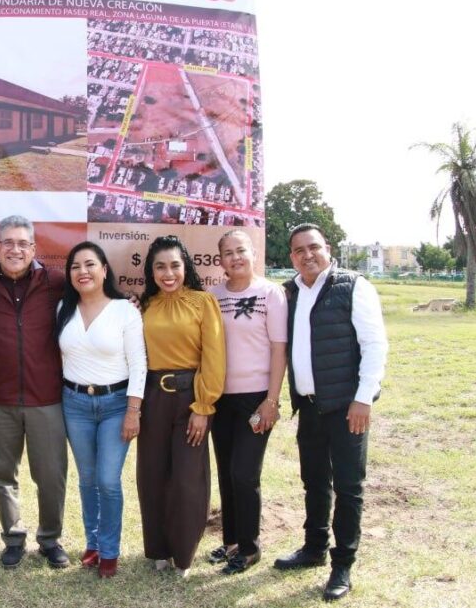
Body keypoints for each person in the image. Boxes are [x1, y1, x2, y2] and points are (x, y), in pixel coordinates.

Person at [274, 223, 388, 602]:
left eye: (314, 247)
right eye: (298, 250)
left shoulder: (353, 286)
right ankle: (313, 548)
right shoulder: (290, 291)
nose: (307, 255)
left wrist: (364, 398)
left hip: (346, 407)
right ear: (290, 256)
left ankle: (342, 565)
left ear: (328, 248)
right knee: (314, 481)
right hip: (308, 406)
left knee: (349, 487)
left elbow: (374, 345)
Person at [0, 215, 69, 569]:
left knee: (51, 476)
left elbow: (95, 296)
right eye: (8, 243)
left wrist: (128, 302)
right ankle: (13, 538)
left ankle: (50, 539)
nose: (15, 249)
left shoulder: (54, 281)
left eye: (22, 243)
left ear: (34, 249)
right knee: (3, 476)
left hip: (46, 398)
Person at [55, 242, 146, 578]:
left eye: (90, 264)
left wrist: (133, 410)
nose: (83, 272)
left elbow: (139, 362)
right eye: (76, 266)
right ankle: (92, 543)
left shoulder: (125, 309)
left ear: (105, 270)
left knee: (108, 480)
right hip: (74, 404)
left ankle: (110, 551)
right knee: (87, 479)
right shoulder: (63, 308)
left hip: (116, 404)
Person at [136, 235, 225, 577]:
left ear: (185, 266)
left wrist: (203, 406)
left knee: (188, 480)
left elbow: (214, 357)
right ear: (151, 270)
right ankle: (158, 549)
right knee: (152, 475)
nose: (168, 273)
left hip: (192, 397)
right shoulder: (146, 305)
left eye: (174, 265)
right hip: (153, 398)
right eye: (160, 266)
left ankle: (183, 555)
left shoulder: (203, 303)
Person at [206, 231, 287, 574]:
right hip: (220, 398)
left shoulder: (272, 293)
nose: (235, 257)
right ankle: (232, 542)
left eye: (241, 250)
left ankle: (251, 547)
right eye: (228, 252)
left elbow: (278, 349)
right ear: (219, 260)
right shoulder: (212, 296)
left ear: (253, 253)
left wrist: (271, 400)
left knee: (244, 473)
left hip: (256, 398)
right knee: (226, 471)